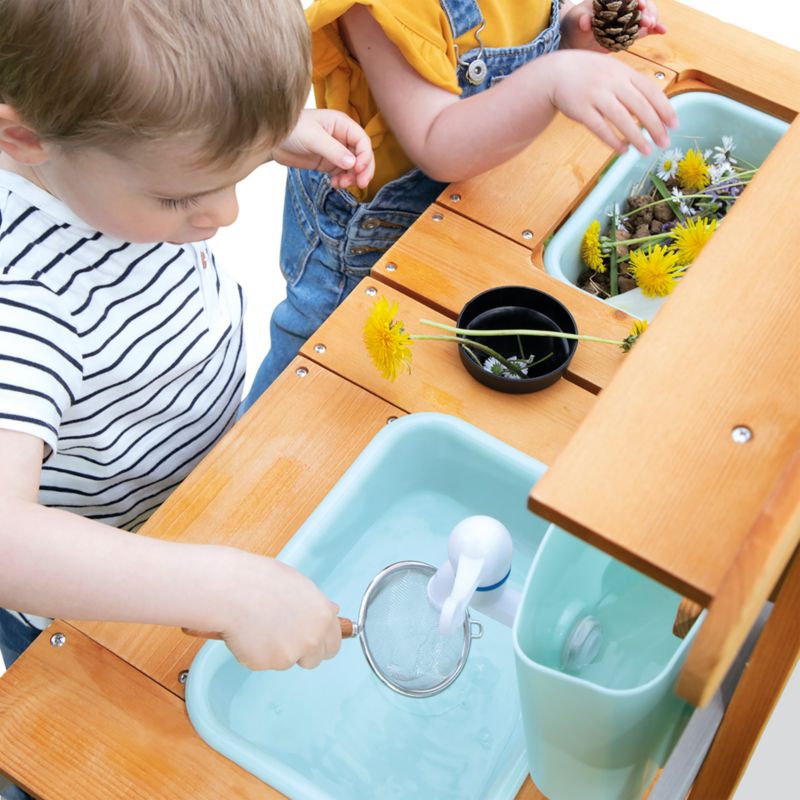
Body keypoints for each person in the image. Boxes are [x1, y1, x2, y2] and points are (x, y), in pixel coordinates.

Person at [0, 0, 376, 743]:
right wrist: (224, 590)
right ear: (25, 136)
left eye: (235, 174)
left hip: (189, 492)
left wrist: (256, 134)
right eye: (181, 195)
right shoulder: (24, 298)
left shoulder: (102, 149)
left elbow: (156, 120)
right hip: (98, 596)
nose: (227, 214)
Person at [241, 0, 675, 409]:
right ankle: (233, 476)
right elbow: (438, 142)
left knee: (423, 374)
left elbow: (524, 48)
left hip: (469, 208)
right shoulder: (388, 9)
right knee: (311, 375)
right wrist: (554, 78)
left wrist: (578, 34)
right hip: (366, 240)